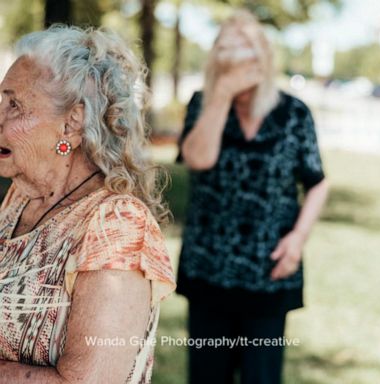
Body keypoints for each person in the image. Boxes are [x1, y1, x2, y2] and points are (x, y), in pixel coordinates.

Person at [0, 25, 176, 383]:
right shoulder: (21, 195)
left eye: (14, 105)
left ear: (72, 124)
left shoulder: (118, 224)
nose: (0, 115)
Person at [175, 10, 329, 384]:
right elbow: (198, 158)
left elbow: (317, 182)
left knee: (262, 377)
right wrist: (222, 96)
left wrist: (298, 239)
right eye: (227, 53)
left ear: (263, 60)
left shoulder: (293, 113)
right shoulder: (203, 104)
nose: (237, 63)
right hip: (209, 268)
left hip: (268, 271)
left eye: (246, 51)